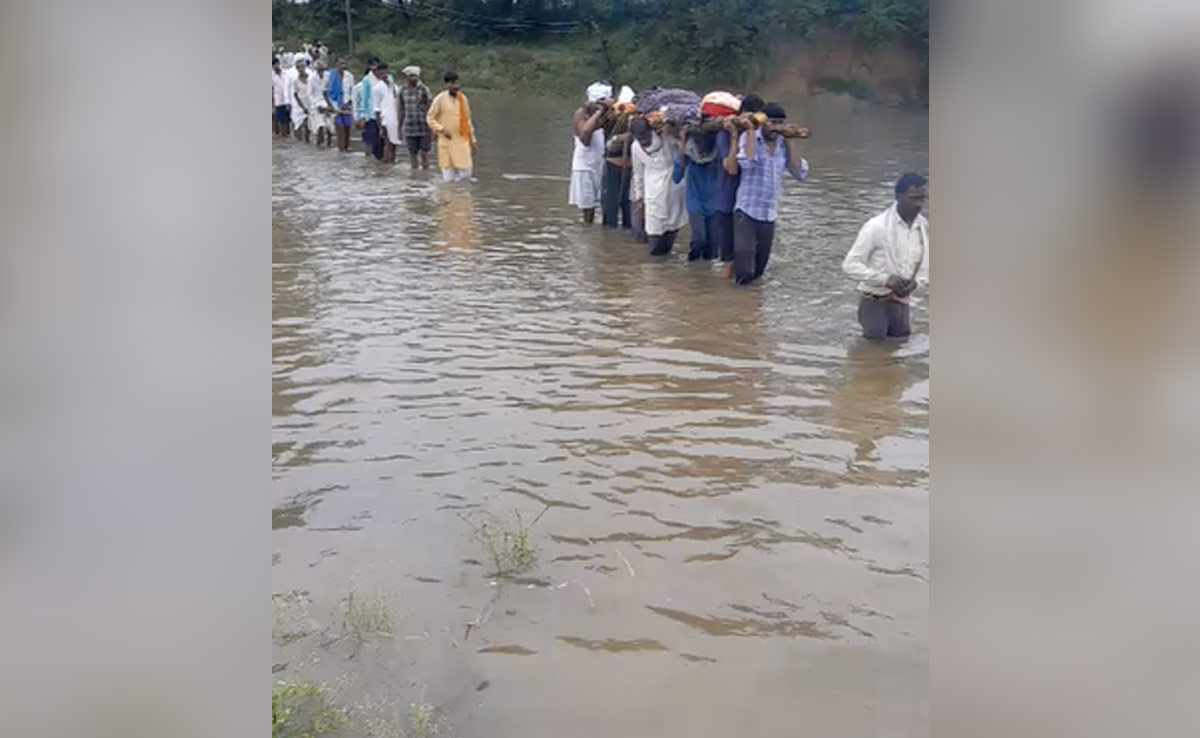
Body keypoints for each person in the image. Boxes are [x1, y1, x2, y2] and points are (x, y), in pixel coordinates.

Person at [723, 101, 808, 284]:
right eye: (771, 122)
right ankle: (739, 306)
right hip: (747, 211)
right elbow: (748, 163)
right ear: (763, 122)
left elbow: (799, 172)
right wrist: (752, 131)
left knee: (759, 269)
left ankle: (754, 307)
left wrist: (790, 141)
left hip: (768, 214)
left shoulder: (782, 145)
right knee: (744, 267)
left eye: (779, 123)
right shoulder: (749, 137)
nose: (775, 127)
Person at [842, 173, 929, 340]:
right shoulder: (876, 226)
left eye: (922, 199)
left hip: (903, 302)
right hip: (875, 301)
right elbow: (850, 264)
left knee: (901, 345)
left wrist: (916, 284)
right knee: (873, 353)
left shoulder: (923, 227)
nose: (919, 205)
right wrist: (885, 279)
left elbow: (926, 265)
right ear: (898, 197)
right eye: (913, 199)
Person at [715, 94, 764, 278]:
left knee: (748, 258)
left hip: (750, 205)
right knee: (728, 262)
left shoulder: (760, 136)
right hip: (728, 200)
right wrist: (735, 137)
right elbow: (731, 168)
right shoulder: (724, 134)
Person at [630, 117, 687, 255]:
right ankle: (655, 268)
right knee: (654, 231)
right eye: (640, 139)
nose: (644, 141)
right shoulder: (635, 147)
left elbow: (682, 147)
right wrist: (639, 198)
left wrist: (675, 130)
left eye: (646, 136)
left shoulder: (667, 139)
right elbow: (638, 174)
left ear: (651, 131)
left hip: (673, 187)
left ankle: (666, 263)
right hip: (652, 191)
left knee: (672, 227)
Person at [672, 125, 721, 260]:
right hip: (695, 201)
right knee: (698, 241)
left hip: (715, 202)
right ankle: (693, 271)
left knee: (712, 245)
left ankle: (703, 275)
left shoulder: (719, 153)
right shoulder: (688, 153)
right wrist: (682, 146)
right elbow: (676, 177)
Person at [569, 82, 611, 224]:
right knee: (588, 208)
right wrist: (598, 113)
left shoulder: (609, 115)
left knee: (606, 204)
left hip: (602, 164)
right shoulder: (581, 114)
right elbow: (585, 136)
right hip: (585, 166)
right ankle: (587, 233)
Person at [427, 71, 477, 182]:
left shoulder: (463, 99)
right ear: (446, 85)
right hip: (446, 141)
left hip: (462, 140)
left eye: (457, 83)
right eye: (452, 84)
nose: (455, 86)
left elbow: (468, 120)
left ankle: (461, 197)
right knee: (448, 178)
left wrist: (472, 140)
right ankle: (450, 197)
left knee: (466, 173)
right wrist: (441, 129)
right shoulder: (439, 99)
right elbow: (430, 118)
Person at [397, 66, 433, 170]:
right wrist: (399, 128)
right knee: (412, 154)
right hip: (409, 127)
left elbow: (431, 109)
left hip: (424, 126)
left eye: (415, 76)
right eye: (411, 76)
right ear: (407, 77)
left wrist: (432, 129)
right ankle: (415, 177)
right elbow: (401, 109)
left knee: (424, 153)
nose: (413, 78)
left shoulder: (424, 89)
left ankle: (426, 175)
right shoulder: (402, 90)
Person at [372, 63, 401, 163]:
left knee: (394, 146)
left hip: (395, 119)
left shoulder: (394, 87)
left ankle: (391, 167)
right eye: (382, 73)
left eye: (386, 72)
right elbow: (376, 109)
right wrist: (380, 127)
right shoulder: (377, 88)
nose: (384, 75)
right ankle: (385, 170)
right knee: (388, 146)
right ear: (378, 74)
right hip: (385, 120)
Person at [328, 58, 354, 152]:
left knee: (347, 128)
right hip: (335, 105)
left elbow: (352, 91)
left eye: (344, 64)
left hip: (347, 105)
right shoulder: (330, 75)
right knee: (340, 129)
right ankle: (341, 149)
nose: (343, 66)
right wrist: (331, 106)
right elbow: (326, 91)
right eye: (341, 63)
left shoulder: (349, 76)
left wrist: (348, 102)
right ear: (336, 65)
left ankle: (346, 149)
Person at [356, 59, 379, 157]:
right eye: (372, 65)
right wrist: (362, 116)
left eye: (376, 65)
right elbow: (364, 99)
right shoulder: (367, 80)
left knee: (380, 141)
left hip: (382, 114)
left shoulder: (385, 78)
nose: (375, 67)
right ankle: (369, 161)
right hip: (370, 115)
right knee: (369, 140)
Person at [309, 60, 333, 148]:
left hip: (327, 103)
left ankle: (329, 145)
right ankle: (319, 146)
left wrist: (330, 104)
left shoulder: (328, 76)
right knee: (320, 127)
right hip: (317, 104)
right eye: (318, 67)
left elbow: (329, 91)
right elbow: (310, 94)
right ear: (316, 68)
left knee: (330, 128)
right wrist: (316, 105)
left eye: (322, 67)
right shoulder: (311, 78)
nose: (320, 68)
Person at [289, 59, 312, 143]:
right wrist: (302, 107)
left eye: (302, 67)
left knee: (308, 126)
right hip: (300, 106)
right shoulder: (296, 81)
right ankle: (299, 143)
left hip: (310, 104)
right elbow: (295, 95)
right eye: (298, 67)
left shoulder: (311, 78)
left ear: (305, 67)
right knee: (298, 126)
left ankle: (307, 142)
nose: (301, 69)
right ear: (297, 69)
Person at [272, 57, 291, 137]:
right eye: (273, 65)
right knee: (281, 121)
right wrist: (272, 105)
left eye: (276, 64)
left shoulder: (286, 73)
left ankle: (287, 138)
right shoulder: (271, 76)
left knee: (288, 122)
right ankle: (283, 137)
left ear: (278, 64)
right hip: (278, 101)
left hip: (288, 100)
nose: (275, 66)